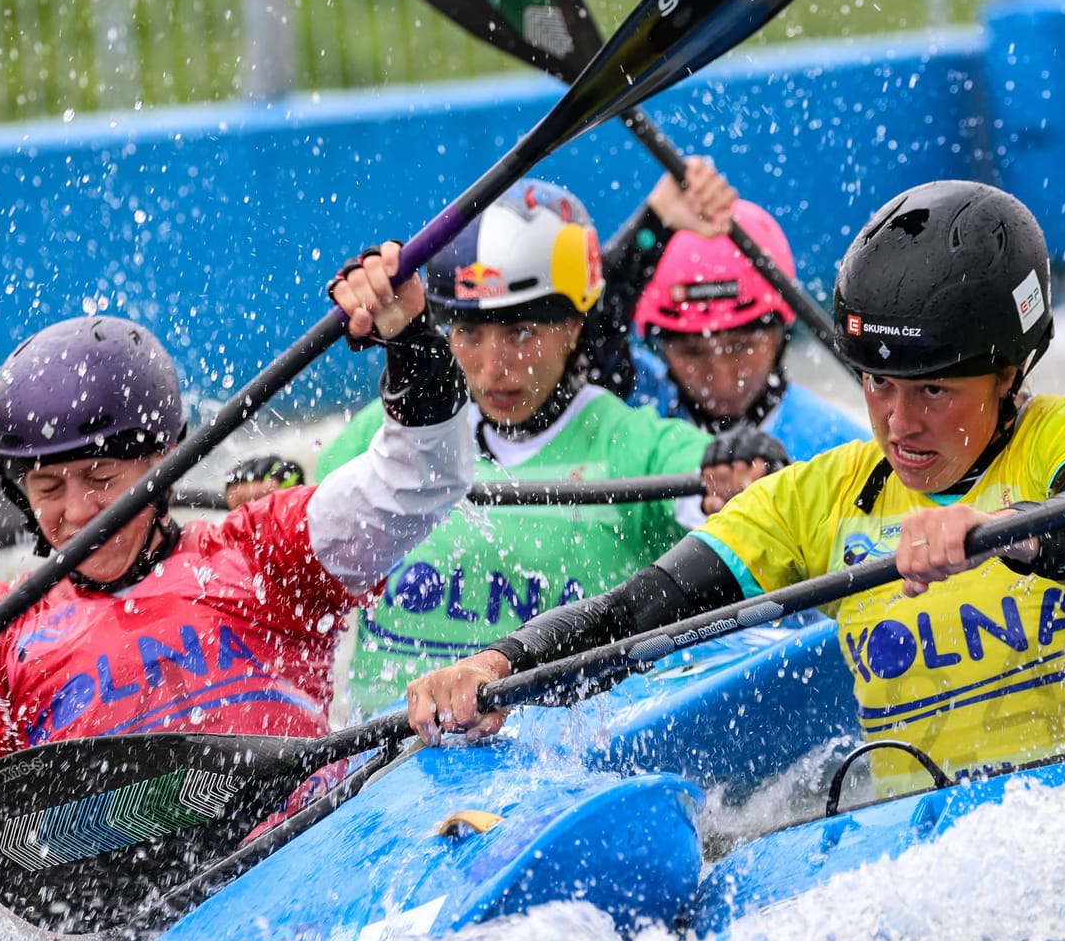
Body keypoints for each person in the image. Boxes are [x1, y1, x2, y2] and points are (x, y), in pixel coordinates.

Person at [402, 181, 1065, 796]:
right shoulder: (822, 497)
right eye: (877, 386)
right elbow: (634, 611)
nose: (898, 423)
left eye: (933, 391)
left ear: (1008, 371)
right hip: (943, 836)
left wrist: (1012, 529)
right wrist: (501, 662)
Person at [0, 244, 472, 880]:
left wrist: (410, 338)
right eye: (49, 489)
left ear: (165, 460)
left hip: (306, 876)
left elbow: (420, 480)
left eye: (100, 477)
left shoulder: (260, 552)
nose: (80, 511)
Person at [311, 176, 789, 718]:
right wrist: (268, 486)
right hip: (377, 769)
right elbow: (286, 539)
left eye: (520, 333)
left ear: (574, 325)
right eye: (468, 333)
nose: (493, 368)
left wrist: (743, 477)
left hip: (558, 779)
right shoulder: (390, 435)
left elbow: (749, 509)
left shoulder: (642, 446)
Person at [627, 198, 868, 459]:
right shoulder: (626, 408)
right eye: (692, 352)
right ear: (658, 347)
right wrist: (652, 219)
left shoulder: (848, 454)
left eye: (740, 346)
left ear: (782, 334)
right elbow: (589, 332)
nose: (722, 380)